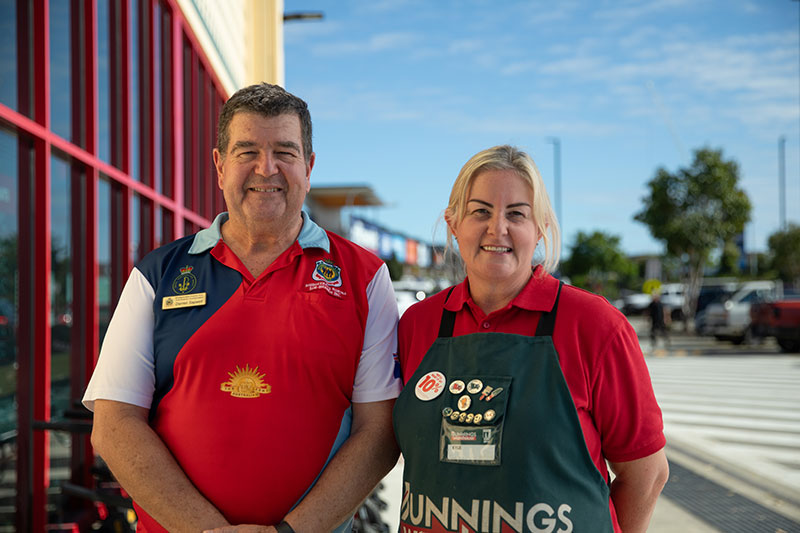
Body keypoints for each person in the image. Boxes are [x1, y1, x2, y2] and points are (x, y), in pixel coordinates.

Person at [83, 83, 401, 532]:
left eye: (285, 153)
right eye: (246, 150)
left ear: (308, 168)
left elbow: (380, 432)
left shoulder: (364, 278)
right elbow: (114, 426)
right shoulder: (157, 273)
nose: (265, 168)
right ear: (219, 165)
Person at [393, 145, 669, 533]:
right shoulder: (416, 325)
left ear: (539, 228)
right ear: (453, 224)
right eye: (480, 211)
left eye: (516, 214)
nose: (497, 228)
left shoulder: (595, 326)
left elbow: (647, 473)